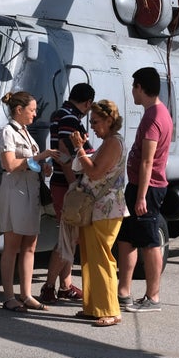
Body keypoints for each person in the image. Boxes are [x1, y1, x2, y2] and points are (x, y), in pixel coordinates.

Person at [116, 67, 172, 313]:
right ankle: (123, 292)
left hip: (146, 188)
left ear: (140, 87)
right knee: (127, 240)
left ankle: (153, 297)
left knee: (149, 243)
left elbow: (148, 161)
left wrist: (141, 196)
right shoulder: (156, 113)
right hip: (138, 186)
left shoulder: (154, 118)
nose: (132, 92)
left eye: (133, 87)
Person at [0, 90, 59, 312]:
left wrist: (43, 167)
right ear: (19, 110)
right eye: (31, 110)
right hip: (15, 194)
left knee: (30, 245)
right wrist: (39, 157)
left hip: (31, 193)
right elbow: (10, 165)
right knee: (12, 246)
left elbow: (29, 163)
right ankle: (8, 296)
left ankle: (26, 294)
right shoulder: (7, 133)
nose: (35, 114)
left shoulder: (26, 133)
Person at [70, 100, 127, 327]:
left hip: (106, 208)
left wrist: (79, 149)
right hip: (98, 208)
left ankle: (110, 310)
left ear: (109, 120)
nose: (91, 126)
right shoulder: (109, 141)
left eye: (95, 122)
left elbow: (94, 173)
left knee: (102, 258)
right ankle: (94, 307)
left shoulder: (113, 142)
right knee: (90, 259)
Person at [40, 83, 95, 305]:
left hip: (61, 183)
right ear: (88, 103)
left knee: (69, 238)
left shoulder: (60, 114)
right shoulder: (71, 120)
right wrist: (75, 186)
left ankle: (65, 286)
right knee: (67, 238)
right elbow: (64, 153)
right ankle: (49, 286)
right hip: (67, 185)